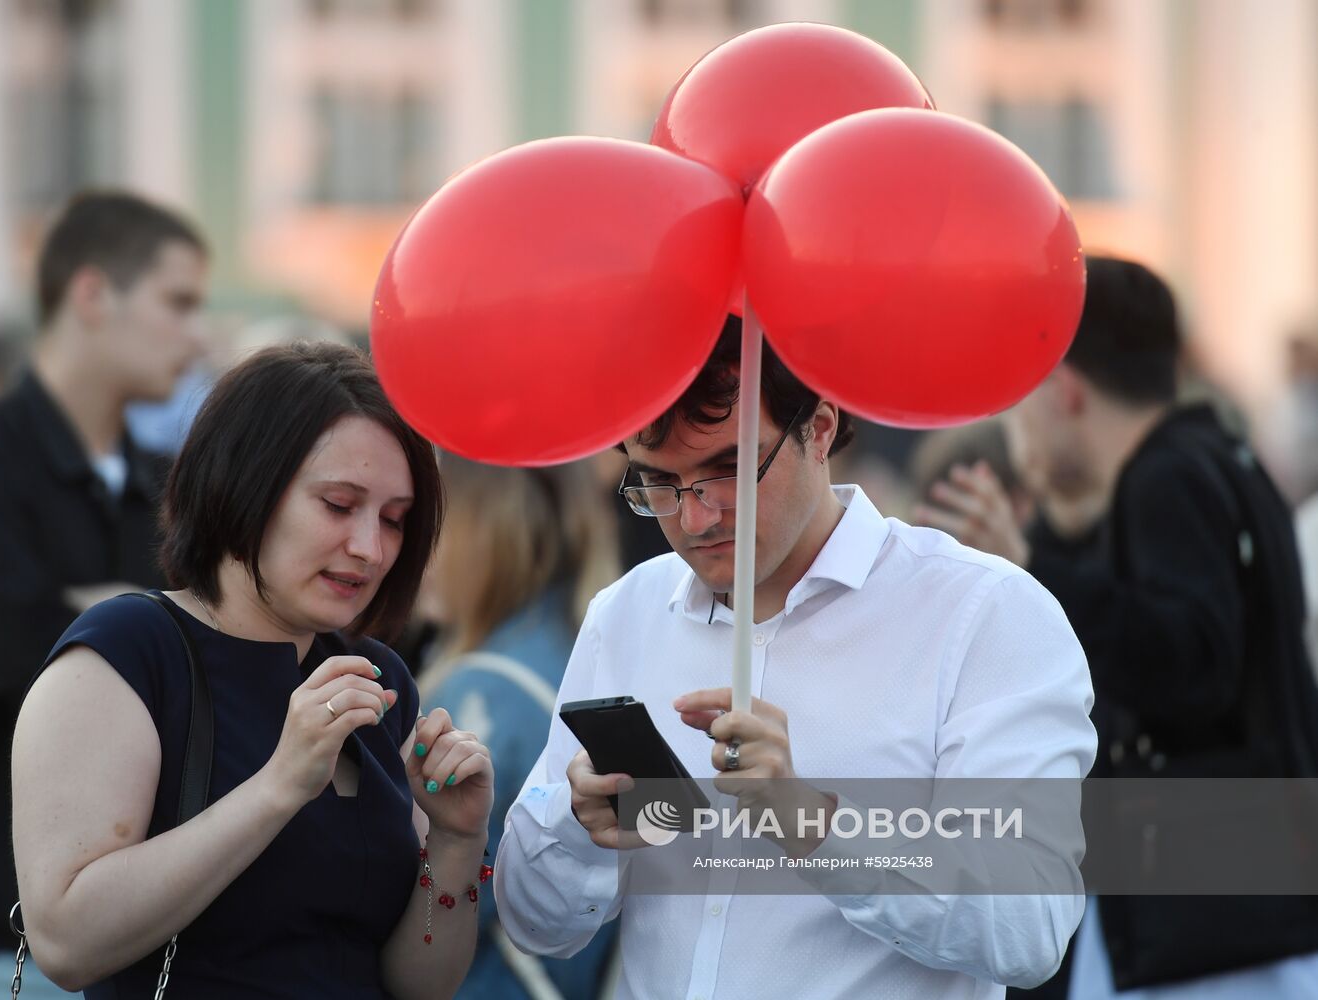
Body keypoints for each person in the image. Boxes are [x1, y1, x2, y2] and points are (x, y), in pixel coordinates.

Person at [494, 315, 1097, 999]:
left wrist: (813, 821)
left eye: (729, 469)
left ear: (820, 427)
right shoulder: (626, 613)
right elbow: (533, 924)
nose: (695, 518)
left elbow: (1030, 926)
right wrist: (580, 829)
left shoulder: (983, 613)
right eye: (660, 482)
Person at [10, 341, 493, 998]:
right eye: (338, 504)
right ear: (246, 483)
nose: (370, 547)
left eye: (395, 520)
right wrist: (277, 788)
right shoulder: (128, 652)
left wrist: (458, 844)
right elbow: (66, 941)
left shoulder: (377, 678)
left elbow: (421, 984)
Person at [920, 257, 1318, 998]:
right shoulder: (1222, 456)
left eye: (1020, 396)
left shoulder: (1165, 477)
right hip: (1242, 897)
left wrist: (1030, 562)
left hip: (1210, 922)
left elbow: (1189, 666)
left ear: (1065, 388)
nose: (1014, 428)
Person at [0, 191, 208, 998]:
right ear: (92, 294)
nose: (196, 336)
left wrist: (99, 610)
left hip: (156, 931)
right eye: (177, 301)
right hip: (3, 940)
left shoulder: (163, 487)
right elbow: (5, 652)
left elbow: (197, 653)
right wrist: (133, 622)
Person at [416, 454, 620, 1000]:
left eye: (427, 519)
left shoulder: (479, 695)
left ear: (489, 532)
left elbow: (426, 917)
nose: (408, 548)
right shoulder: (594, 658)